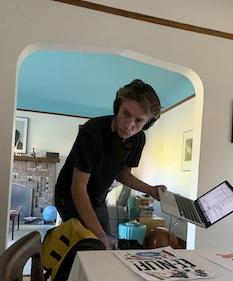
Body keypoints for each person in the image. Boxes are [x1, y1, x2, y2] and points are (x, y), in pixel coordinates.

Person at [55, 79, 167, 249]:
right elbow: (78, 188)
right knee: (87, 245)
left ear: (147, 124)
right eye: (126, 114)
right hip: (69, 197)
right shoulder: (91, 132)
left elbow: (123, 174)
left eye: (139, 121)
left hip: (97, 199)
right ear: (117, 107)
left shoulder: (138, 139)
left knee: (105, 246)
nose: (129, 126)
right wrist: (98, 235)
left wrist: (150, 190)